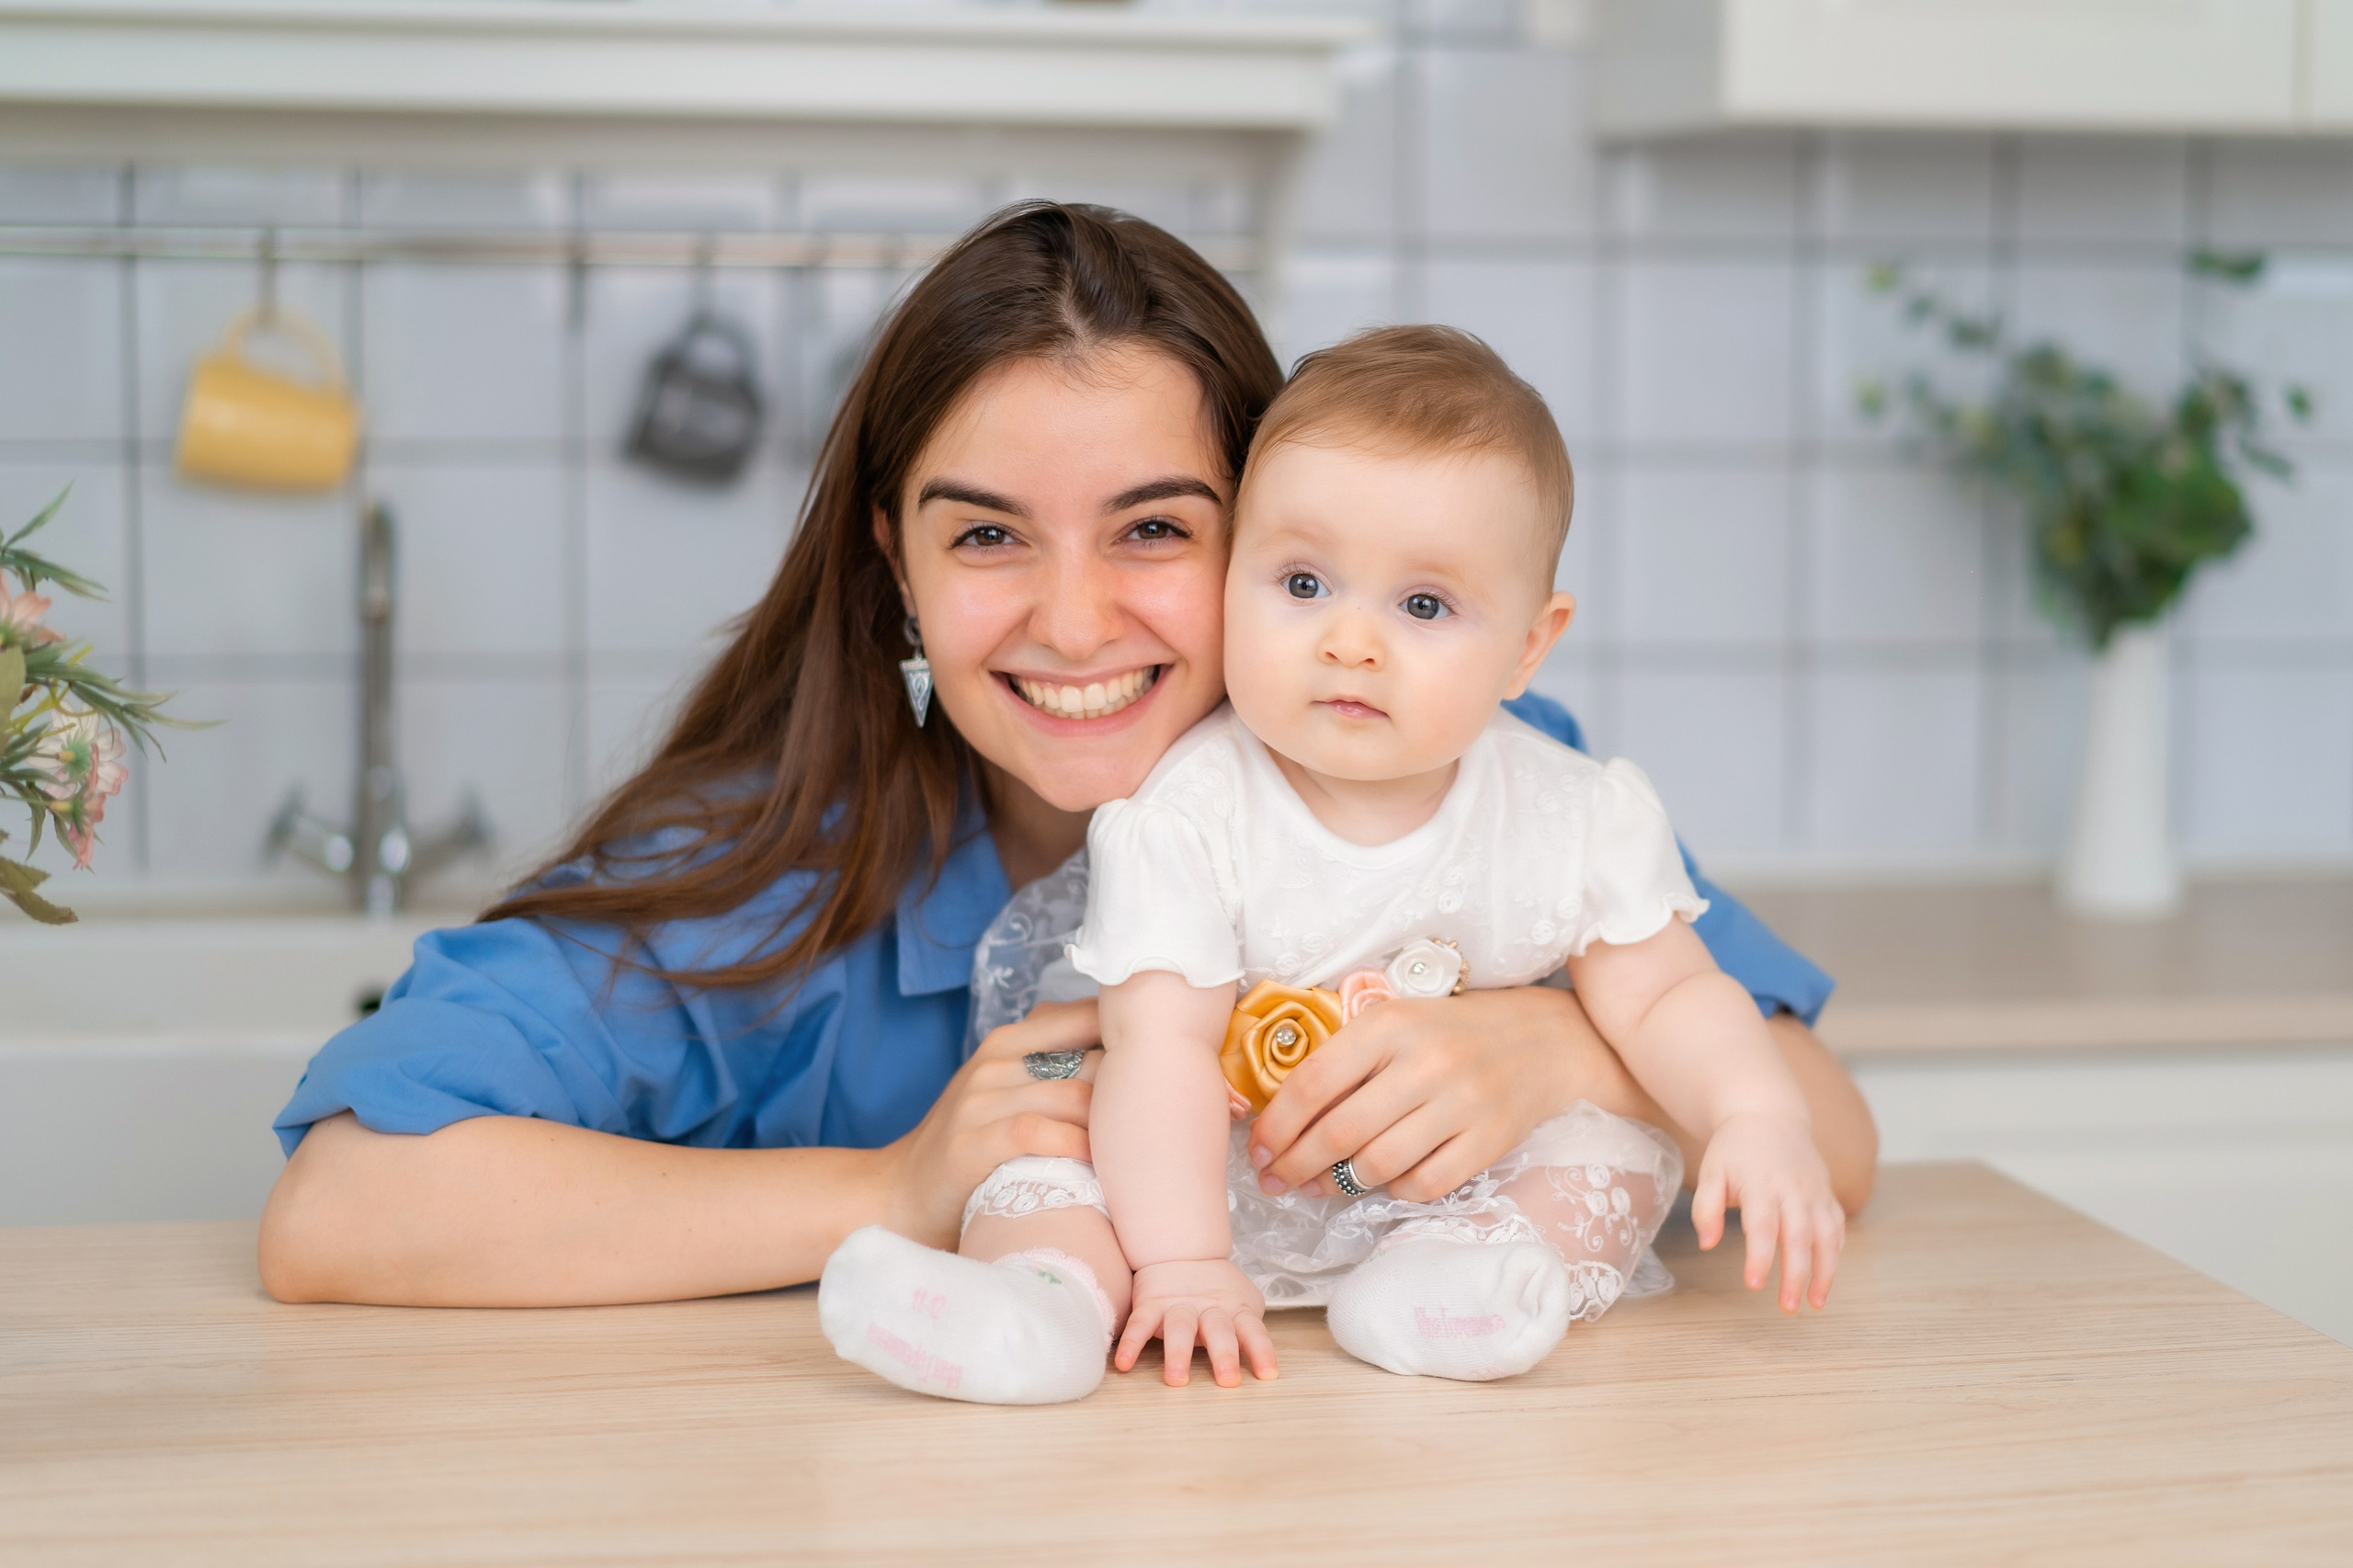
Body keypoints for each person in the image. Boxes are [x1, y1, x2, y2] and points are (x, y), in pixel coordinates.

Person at [257, 203, 1875, 1311]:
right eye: (989, 538)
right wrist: (890, 1195)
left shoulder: (1463, 774)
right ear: (898, 561)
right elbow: (340, 1211)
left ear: (1270, 536)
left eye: (1156, 529)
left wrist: (1557, 1051)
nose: (1078, 619)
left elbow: (1829, 1125)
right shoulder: (771, 866)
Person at [816, 327, 1843, 1403]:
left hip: (1450, 1170)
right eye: (1302, 581)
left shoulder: (1571, 811)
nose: (1351, 641)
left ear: (1530, 647)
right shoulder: (1189, 812)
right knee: (1049, 1148)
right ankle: (1040, 1305)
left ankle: (1448, 1288)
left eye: (1424, 605)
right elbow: (1163, 1050)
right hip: (1185, 1176)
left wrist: (1753, 1115)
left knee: (1603, 1153)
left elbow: (1673, 990)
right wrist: (1181, 1261)